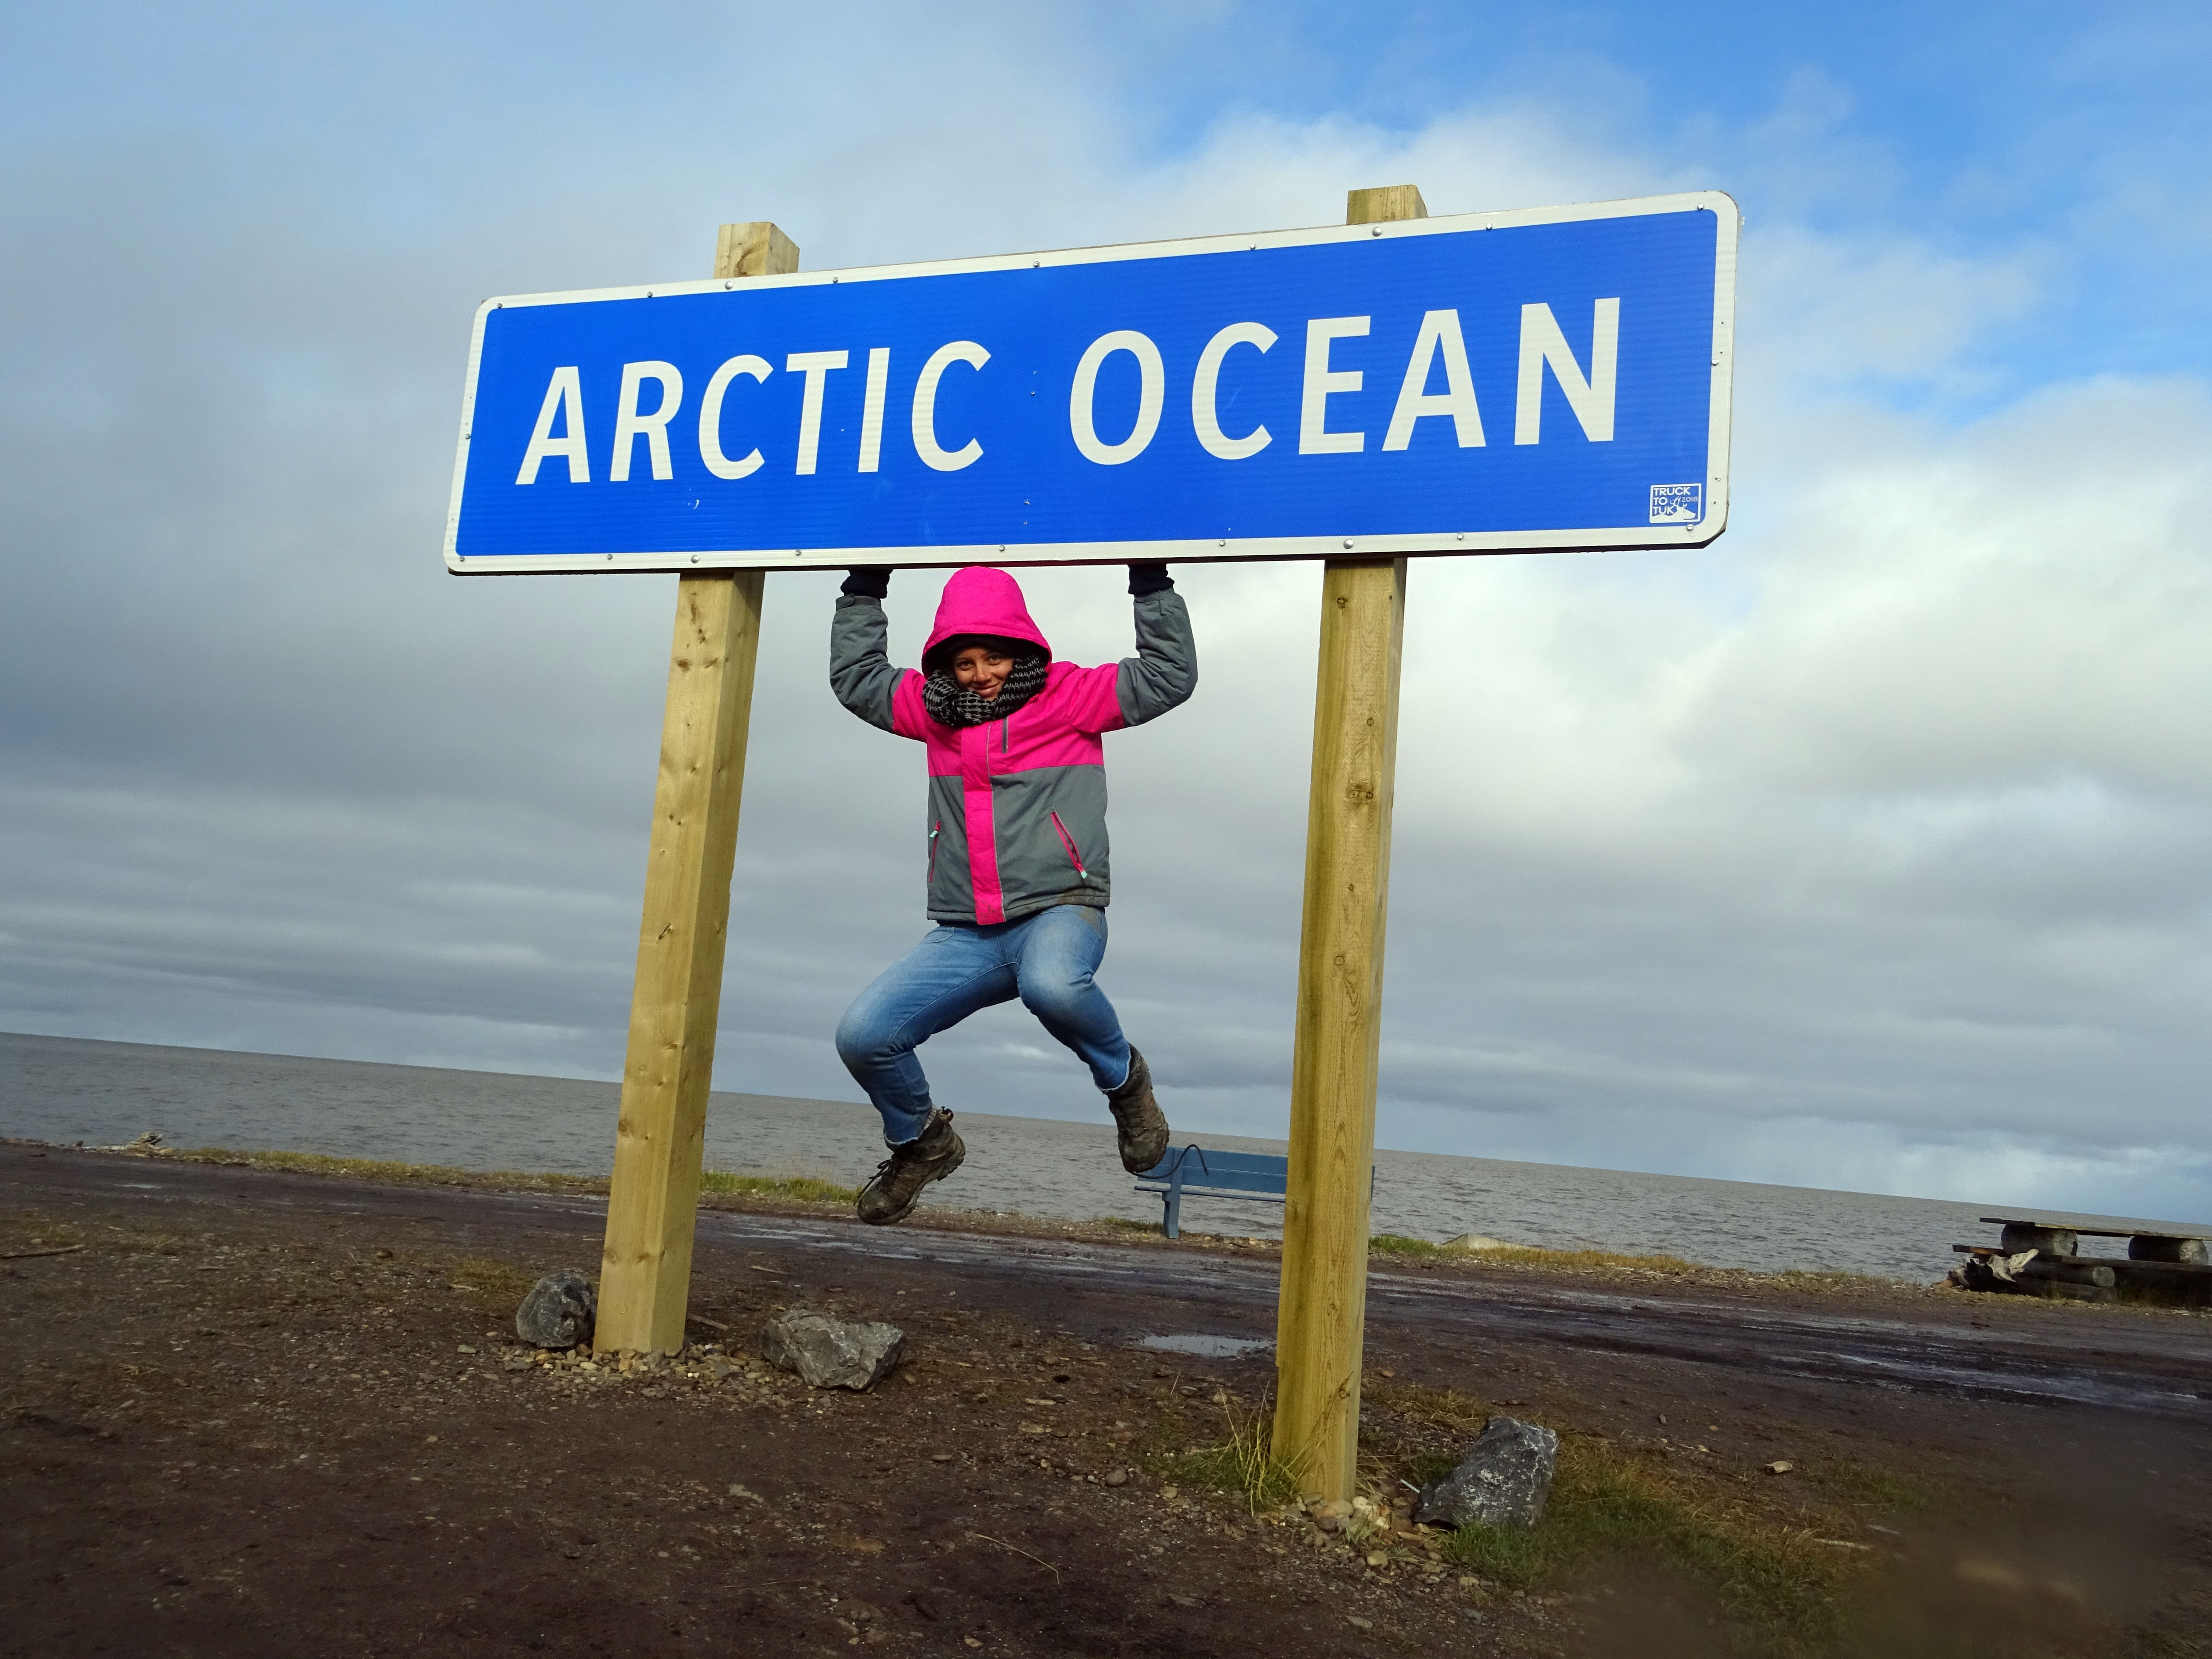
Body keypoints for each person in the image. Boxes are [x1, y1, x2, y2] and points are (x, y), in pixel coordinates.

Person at [827, 560, 1198, 1224]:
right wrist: (864, 589)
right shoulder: (936, 714)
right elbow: (858, 680)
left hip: (1060, 911)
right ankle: (921, 1142)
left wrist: (1151, 584)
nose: (981, 674)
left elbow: (1168, 676)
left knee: (1052, 986)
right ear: (946, 666)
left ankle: (1127, 1085)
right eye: (964, 662)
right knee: (863, 1034)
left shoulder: (1071, 697)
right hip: (967, 931)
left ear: (1022, 649)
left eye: (994, 656)